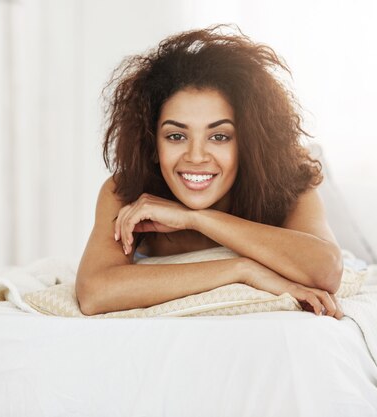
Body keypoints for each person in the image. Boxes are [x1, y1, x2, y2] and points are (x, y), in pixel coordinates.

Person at [76, 24, 344, 319]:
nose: (196, 156)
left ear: (248, 143)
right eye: (176, 136)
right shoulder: (126, 192)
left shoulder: (288, 182)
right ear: (152, 143)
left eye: (219, 136)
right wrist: (241, 269)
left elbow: (326, 270)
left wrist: (196, 218)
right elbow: (94, 293)